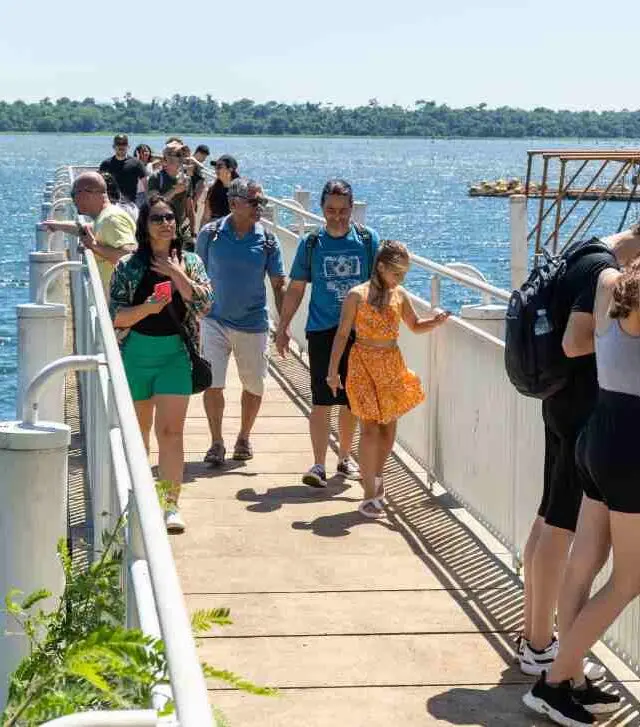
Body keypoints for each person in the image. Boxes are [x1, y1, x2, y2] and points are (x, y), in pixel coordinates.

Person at [522, 255, 640, 725]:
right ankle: (551, 684)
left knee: (583, 564)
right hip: (631, 446)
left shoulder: (608, 280)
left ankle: (570, 677)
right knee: (630, 580)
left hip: (597, 434)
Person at [109, 194, 213, 534]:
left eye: (170, 217)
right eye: (157, 218)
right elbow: (116, 316)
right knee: (139, 433)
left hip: (175, 356)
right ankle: (140, 498)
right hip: (136, 355)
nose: (166, 223)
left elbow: (205, 305)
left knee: (171, 432)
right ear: (145, 225)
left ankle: (171, 505)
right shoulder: (129, 266)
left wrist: (176, 273)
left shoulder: (190, 262)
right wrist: (148, 308)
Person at [327, 241, 449, 517]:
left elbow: (414, 325)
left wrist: (435, 322)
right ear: (381, 267)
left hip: (391, 365)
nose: (400, 279)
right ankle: (369, 493)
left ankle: (377, 476)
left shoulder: (400, 294)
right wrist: (332, 371)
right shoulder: (356, 296)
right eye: (396, 273)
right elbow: (342, 334)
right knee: (369, 429)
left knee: (388, 428)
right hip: (362, 364)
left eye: (403, 274)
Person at [275, 179, 380, 487]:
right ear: (322, 209)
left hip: (360, 332)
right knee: (321, 399)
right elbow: (296, 288)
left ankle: (344, 458)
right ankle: (318, 464)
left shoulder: (367, 240)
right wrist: (283, 327)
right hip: (322, 329)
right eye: (331, 210)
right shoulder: (311, 243)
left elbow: (381, 285)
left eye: (343, 210)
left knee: (352, 401)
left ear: (352, 208)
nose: (337, 217)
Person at [197, 178, 286, 466]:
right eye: (255, 202)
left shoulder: (268, 240)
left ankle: (244, 437)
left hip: (253, 322)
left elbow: (279, 285)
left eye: (262, 202)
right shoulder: (210, 234)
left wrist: (284, 327)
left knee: (254, 385)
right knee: (213, 383)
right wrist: (192, 313)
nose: (261, 207)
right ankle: (216, 442)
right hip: (214, 320)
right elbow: (196, 275)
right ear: (234, 203)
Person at [38, 171, 137, 297]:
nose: (73, 200)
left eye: (74, 194)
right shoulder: (104, 217)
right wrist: (58, 225)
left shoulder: (111, 219)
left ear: (86, 192)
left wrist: (94, 246)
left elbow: (128, 256)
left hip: (115, 301)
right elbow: (86, 229)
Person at [148, 144, 196, 250]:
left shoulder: (186, 179)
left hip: (181, 229)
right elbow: (153, 204)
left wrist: (193, 233)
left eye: (183, 155)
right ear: (167, 159)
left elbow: (190, 208)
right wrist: (174, 191)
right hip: (162, 229)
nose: (182, 158)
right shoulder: (156, 178)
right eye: (178, 155)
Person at [99, 133, 147, 206]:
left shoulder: (137, 163)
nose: (121, 146)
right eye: (118, 144)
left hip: (130, 204)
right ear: (114, 146)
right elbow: (100, 184)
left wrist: (148, 202)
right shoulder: (105, 164)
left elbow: (145, 184)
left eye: (124, 144)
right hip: (111, 204)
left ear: (128, 146)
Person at [201, 155, 239, 226]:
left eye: (219, 167)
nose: (216, 170)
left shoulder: (239, 190)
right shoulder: (212, 189)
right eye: (215, 167)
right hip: (214, 227)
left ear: (230, 169)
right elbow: (206, 216)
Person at [190, 144, 210, 214]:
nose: (204, 159)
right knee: (202, 183)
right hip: (190, 190)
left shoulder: (197, 164)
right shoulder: (190, 160)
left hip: (193, 189)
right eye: (204, 157)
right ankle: (193, 205)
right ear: (198, 153)